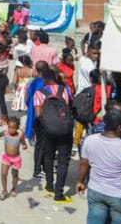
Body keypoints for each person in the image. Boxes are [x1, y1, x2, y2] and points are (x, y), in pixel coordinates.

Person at [76, 110, 121, 223]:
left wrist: (80, 182)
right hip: (120, 197)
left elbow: (84, 163)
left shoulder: (90, 140)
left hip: (96, 192)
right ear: (120, 128)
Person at [33, 66, 74, 203]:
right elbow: (68, 107)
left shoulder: (39, 93)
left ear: (44, 79)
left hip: (48, 130)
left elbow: (38, 114)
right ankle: (59, 193)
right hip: (65, 130)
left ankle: (49, 185)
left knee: (49, 157)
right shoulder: (65, 90)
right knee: (63, 161)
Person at [0, 115, 28, 200]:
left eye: (13, 128)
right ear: (7, 126)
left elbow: (24, 143)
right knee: (3, 174)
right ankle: (4, 191)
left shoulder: (20, 135)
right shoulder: (5, 133)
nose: (11, 129)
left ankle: (14, 188)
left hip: (16, 159)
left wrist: (24, 146)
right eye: (9, 127)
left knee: (14, 175)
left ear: (17, 128)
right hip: (6, 157)